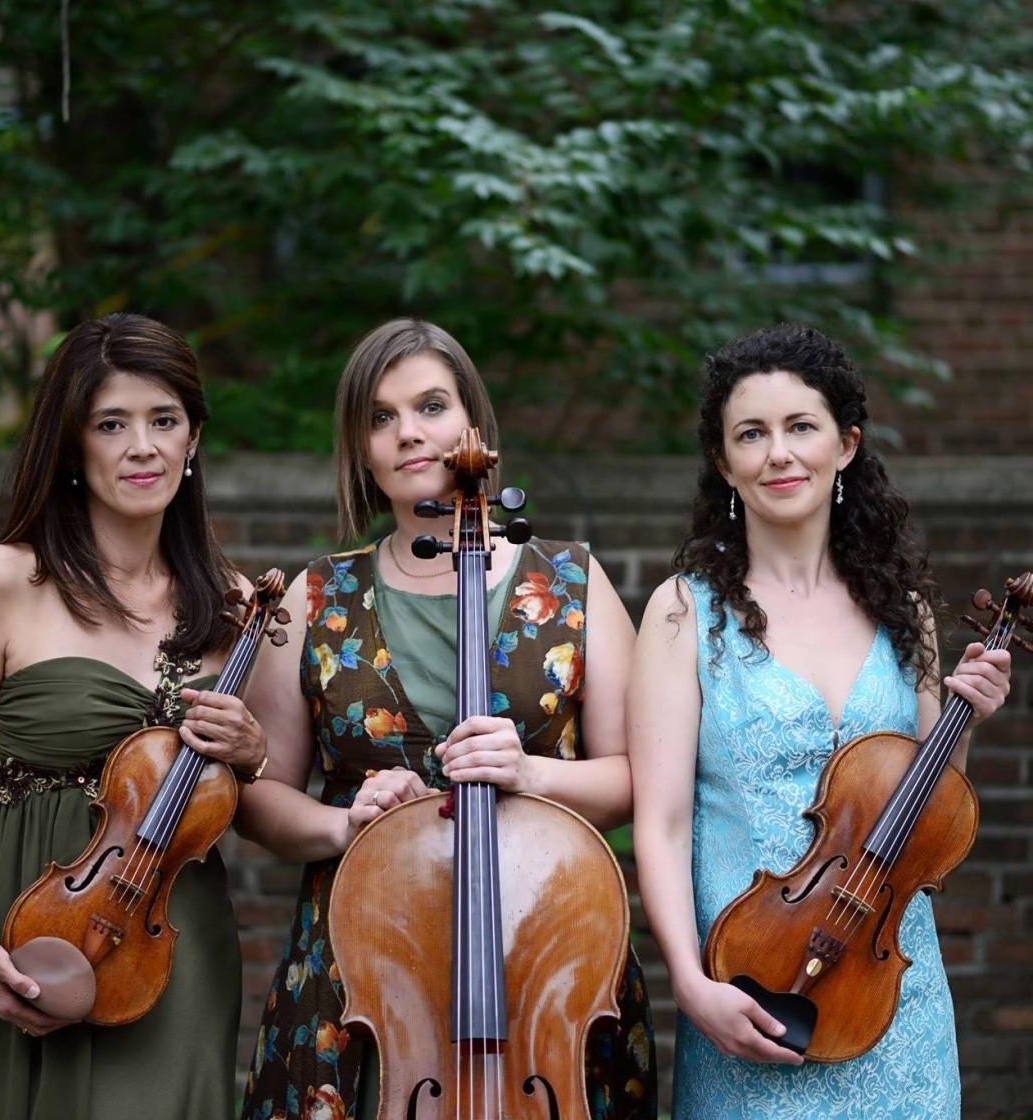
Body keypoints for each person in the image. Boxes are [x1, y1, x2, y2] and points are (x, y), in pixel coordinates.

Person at [237, 318, 657, 1120]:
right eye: (381, 417)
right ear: (361, 448)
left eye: (430, 406)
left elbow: (639, 778)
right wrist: (341, 823)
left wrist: (530, 774)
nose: (409, 434)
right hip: (365, 973)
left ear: (474, 426)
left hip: (540, 964)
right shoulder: (318, 595)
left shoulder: (572, 581)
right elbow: (257, 796)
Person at [629, 323, 1012, 1118]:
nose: (779, 453)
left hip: (895, 1008)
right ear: (723, 462)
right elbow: (661, 823)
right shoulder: (682, 615)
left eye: (801, 427)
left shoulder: (902, 613)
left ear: (846, 445)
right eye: (752, 434)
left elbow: (928, 820)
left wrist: (966, 717)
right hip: (752, 999)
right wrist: (693, 989)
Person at [0, 313, 269, 1120]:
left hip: (169, 945)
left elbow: (250, 810)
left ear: (194, 442)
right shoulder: (5, 580)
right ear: (72, 445)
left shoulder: (239, 604)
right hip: (29, 928)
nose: (141, 446)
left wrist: (251, 757)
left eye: (163, 420)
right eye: (111, 423)